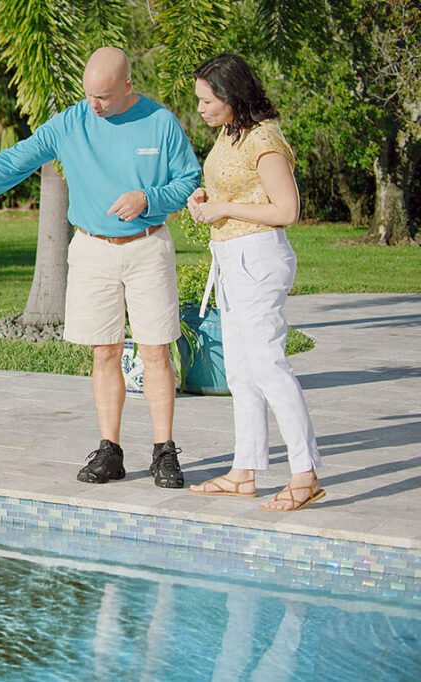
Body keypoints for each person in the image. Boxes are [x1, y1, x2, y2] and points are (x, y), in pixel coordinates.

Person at [0, 47, 200, 488]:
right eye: (88, 95)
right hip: (91, 250)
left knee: (155, 350)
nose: (94, 105)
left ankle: (165, 452)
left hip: (148, 248)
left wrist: (149, 199)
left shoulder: (160, 122)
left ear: (128, 86)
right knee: (104, 351)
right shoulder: (73, 122)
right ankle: (110, 451)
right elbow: (18, 159)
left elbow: (189, 181)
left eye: (104, 96)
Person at [185, 53, 325, 511]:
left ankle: (305, 474)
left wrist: (225, 209)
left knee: (268, 366)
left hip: (258, 260)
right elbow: (240, 190)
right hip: (229, 260)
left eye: (207, 100)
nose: (201, 108)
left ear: (231, 96)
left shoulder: (263, 138)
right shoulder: (231, 134)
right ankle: (244, 472)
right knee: (241, 372)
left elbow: (286, 211)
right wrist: (207, 198)